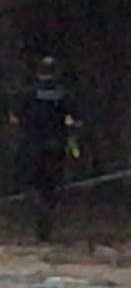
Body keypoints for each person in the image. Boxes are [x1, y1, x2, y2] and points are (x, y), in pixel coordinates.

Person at [8, 56, 81, 242]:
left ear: (37, 72)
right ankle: (45, 227)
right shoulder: (64, 94)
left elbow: (14, 119)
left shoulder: (27, 93)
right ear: (56, 72)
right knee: (51, 185)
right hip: (56, 145)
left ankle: (40, 208)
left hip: (31, 145)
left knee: (27, 182)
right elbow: (77, 120)